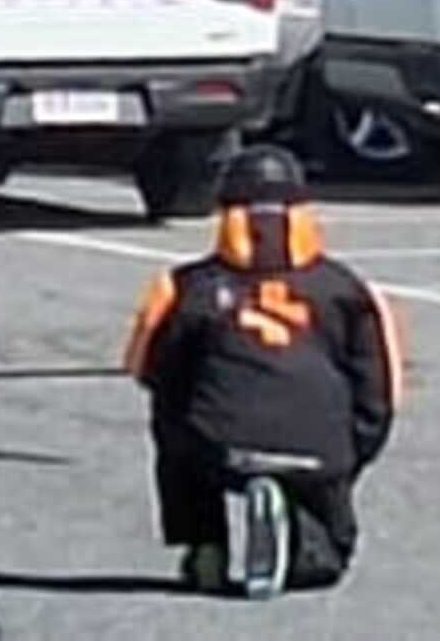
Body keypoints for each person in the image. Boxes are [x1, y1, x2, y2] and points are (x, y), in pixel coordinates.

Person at [115, 143, 400, 593]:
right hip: (322, 449)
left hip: (216, 447)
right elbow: (380, 388)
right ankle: (315, 535)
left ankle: (205, 543)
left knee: (172, 421)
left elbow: (146, 369)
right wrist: (350, 456)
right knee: (326, 521)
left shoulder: (186, 286)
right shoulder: (348, 289)